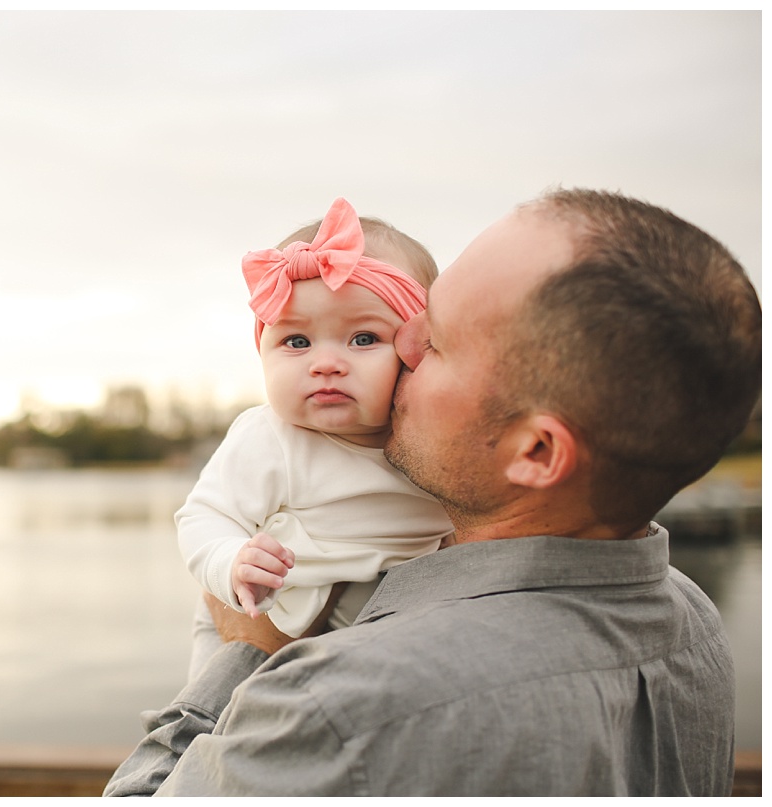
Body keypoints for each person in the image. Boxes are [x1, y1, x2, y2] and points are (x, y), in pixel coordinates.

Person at [104, 188, 760, 797]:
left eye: (434, 339)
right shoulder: (694, 623)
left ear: (535, 451)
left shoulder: (338, 704)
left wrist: (244, 651)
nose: (402, 346)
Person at [177, 197, 452, 679]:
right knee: (216, 719)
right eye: (296, 342)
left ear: (420, 345)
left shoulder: (442, 439)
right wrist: (231, 563)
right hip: (261, 609)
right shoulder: (271, 439)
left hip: (376, 623)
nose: (325, 363)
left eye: (363, 338)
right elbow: (204, 517)